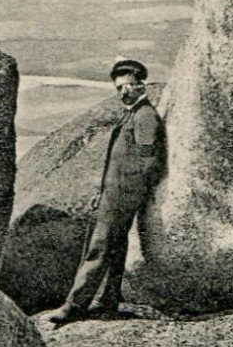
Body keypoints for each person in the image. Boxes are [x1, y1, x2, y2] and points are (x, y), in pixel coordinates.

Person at [47, 60, 167, 324]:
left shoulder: (145, 116)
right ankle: (108, 300)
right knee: (115, 248)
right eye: (118, 89)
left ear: (141, 85)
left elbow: (149, 161)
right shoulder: (132, 114)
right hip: (115, 195)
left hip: (124, 196)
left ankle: (74, 305)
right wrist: (102, 191)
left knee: (99, 248)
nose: (123, 93)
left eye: (128, 86)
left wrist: (128, 193)